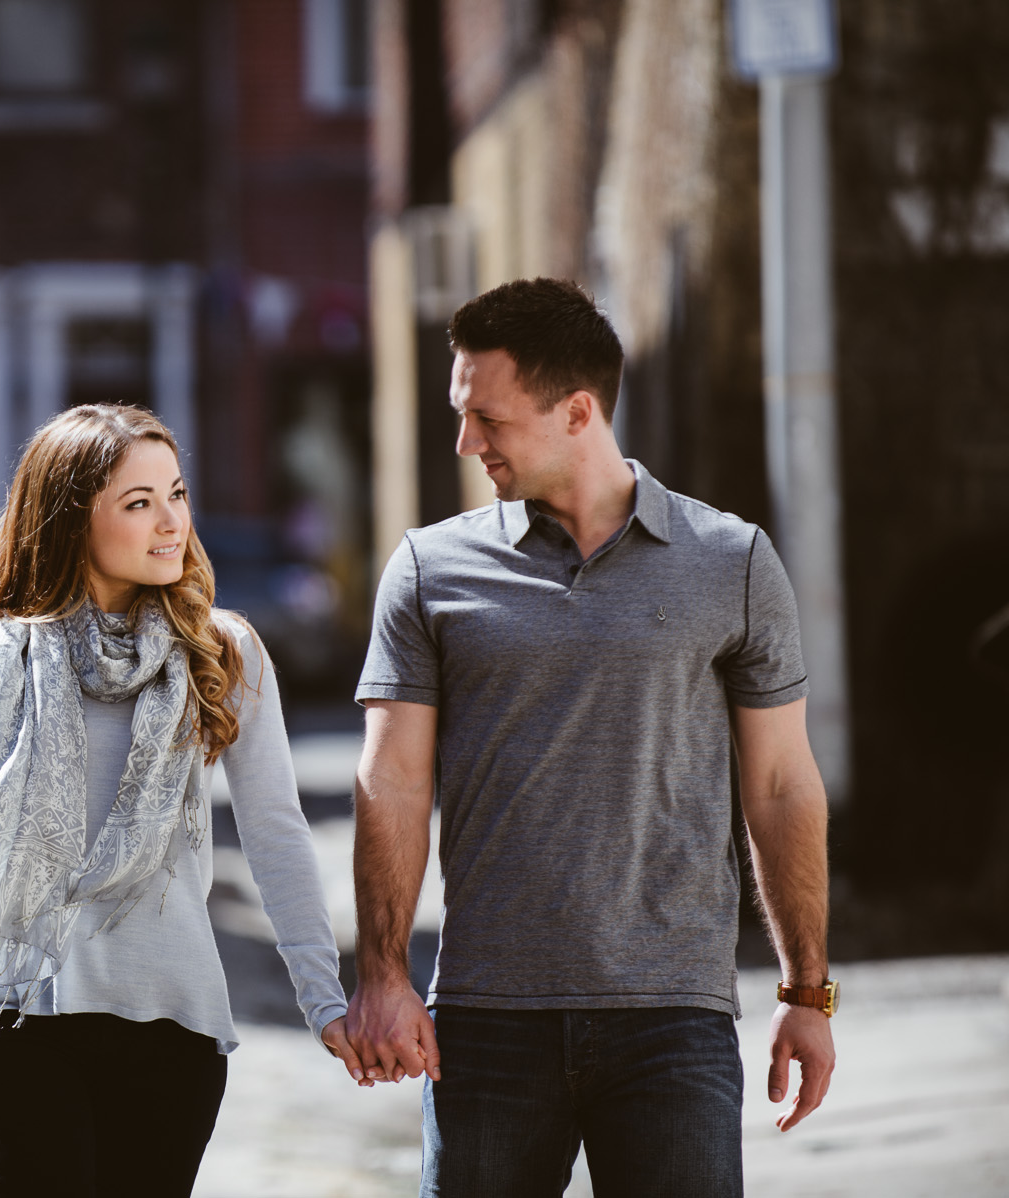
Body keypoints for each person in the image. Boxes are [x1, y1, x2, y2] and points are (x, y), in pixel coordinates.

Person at [346, 278, 837, 1196]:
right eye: (461, 414)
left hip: (672, 1021)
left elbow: (779, 787)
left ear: (577, 411)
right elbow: (393, 782)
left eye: (486, 418)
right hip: (487, 1019)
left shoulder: (730, 561)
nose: (465, 442)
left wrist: (806, 993)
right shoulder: (428, 569)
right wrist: (383, 975)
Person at [0, 403, 359, 1197]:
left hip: (167, 1023)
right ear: (72, 521)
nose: (171, 523)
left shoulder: (222, 651)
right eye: (139, 504)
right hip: (9, 1018)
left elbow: (275, 830)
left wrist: (323, 999)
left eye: (177, 494)